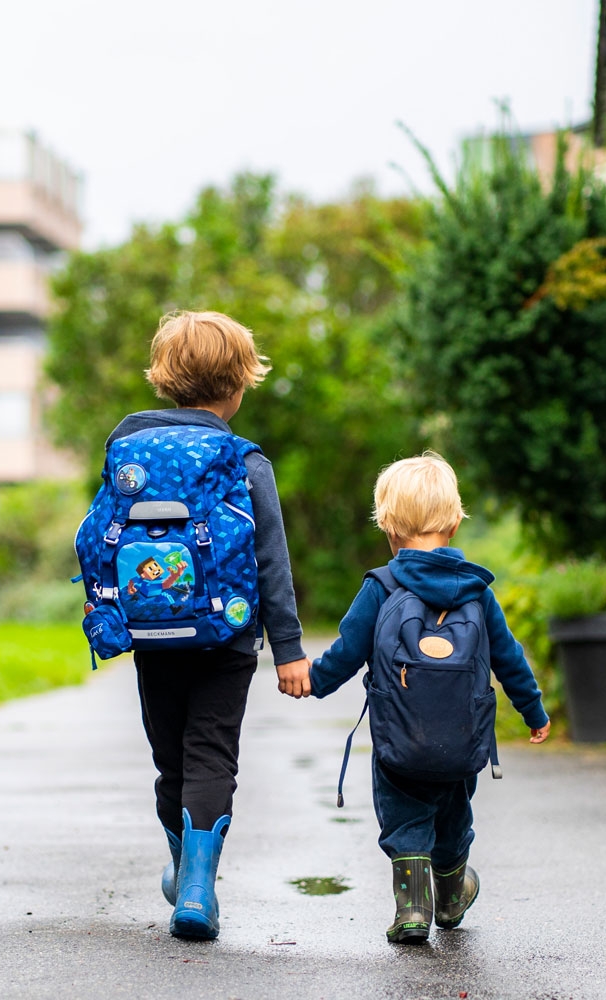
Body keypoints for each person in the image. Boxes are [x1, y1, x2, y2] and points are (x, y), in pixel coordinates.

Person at [102, 310, 311, 940]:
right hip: (228, 638)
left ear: (164, 379)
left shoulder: (126, 448)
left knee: (171, 759)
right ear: (240, 384)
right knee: (212, 752)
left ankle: (182, 867)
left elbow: (104, 540)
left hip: (152, 634)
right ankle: (196, 889)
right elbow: (270, 559)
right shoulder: (244, 461)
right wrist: (291, 650)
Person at [304, 452, 550, 944]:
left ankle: (413, 910)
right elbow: (509, 657)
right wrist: (533, 709)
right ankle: (453, 893)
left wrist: (313, 680)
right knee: (455, 821)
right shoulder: (477, 593)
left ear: (388, 527)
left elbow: (347, 650)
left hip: (399, 743)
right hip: (463, 744)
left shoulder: (381, 586)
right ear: (455, 523)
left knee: (404, 819)